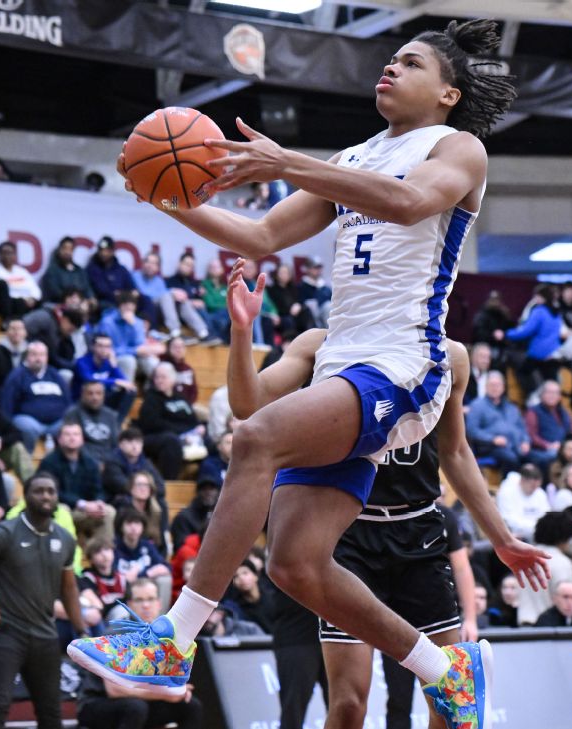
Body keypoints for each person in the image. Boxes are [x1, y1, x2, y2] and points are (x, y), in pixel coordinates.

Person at [73, 24, 517, 723]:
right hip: (346, 359)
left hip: (404, 361)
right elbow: (258, 236)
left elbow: (406, 202)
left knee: (254, 438)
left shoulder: (457, 147)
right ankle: (448, 670)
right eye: (390, 58)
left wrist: (286, 162)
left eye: (410, 63)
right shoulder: (354, 156)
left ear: (448, 93)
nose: (389, 67)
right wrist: (169, 197)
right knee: (295, 565)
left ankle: (174, 640)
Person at [212, 287, 546, 728]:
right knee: (349, 703)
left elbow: (457, 453)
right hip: (348, 536)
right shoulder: (319, 345)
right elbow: (248, 401)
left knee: (448, 702)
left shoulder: (450, 355)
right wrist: (241, 330)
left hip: (419, 531)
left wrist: (501, 538)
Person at [0, 472, 84, 729]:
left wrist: (82, 630)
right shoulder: (3, 534)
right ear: (25, 496)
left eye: (51, 490)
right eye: (39, 491)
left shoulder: (65, 539)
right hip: (5, 634)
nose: (46, 496)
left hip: (46, 636)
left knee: (51, 714)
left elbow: (69, 590)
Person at [74, 579, 204, 729]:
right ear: (129, 604)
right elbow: (115, 690)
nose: (146, 605)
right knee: (135, 707)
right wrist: (168, 695)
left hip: (140, 703)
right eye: (139, 600)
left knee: (191, 706)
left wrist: (177, 691)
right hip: (97, 703)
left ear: (159, 603)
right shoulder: (117, 635)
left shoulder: (165, 638)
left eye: (150, 599)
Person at [38, 422, 111, 540]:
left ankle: (100, 553)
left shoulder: (90, 463)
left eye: (76, 434)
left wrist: (99, 503)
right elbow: (51, 493)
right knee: (62, 510)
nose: (72, 438)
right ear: (60, 439)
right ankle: (63, 554)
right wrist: (81, 503)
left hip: (85, 511)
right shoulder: (49, 463)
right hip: (61, 509)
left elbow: (98, 489)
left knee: (108, 511)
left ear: (82, 439)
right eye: (67, 434)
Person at [136, 362, 202, 479]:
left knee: (214, 442)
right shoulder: (151, 398)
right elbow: (154, 424)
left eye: (163, 377)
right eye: (157, 377)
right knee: (171, 440)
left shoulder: (180, 397)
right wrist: (183, 432)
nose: (159, 380)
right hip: (155, 437)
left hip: (185, 435)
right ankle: (170, 482)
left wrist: (198, 428)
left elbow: (192, 419)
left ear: (173, 379)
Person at [1, 341, 71, 451]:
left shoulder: (55, 375)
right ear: (27, 356)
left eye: (42, 355)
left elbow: (67, 400)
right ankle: (29, 457)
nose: (38, 358)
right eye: (34, 354)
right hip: (28, 420)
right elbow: (7, 403)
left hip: (56, 423)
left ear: (47, 357)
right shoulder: (17, 376)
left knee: (71, 427)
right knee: (28, 427)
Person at [466, 371, 531, 475]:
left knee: (536, 458)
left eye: (498, 385)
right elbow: (472, 430)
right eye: (492, 385)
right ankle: (510, 487)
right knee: (511, 458)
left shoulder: (512, 407)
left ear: (503, 387)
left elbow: (522, 428)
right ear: (486, 387)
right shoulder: (477, 406)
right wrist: (492, 439)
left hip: (515, 445)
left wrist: (526, 441)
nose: (495, 388)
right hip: (490, 447)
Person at [64, 380, 122, 462]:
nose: (95, 397)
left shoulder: (111, 415)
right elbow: (72, 444)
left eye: (99, 393)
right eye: (90, 393)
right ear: (83, 394)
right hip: (83, 461)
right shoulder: (73, 414)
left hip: (109, 461)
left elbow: (116, 443)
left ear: (103, 395)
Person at [0, 241, 41, 319]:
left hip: (27, 302)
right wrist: (22, 299)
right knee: (18, 303)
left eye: (11, 253)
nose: (8, 256)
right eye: (5, 253)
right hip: (9, 303)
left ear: (15, 255)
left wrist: (33, 298)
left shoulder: (22, 271)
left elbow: (35, 289)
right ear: (0, 255)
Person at [496, 464, 550, 542]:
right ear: (522, 480)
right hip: (516, 536)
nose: (534, 489)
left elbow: (546, 515)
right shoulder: (506, 492)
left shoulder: (539, 492)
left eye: (537, 486)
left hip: (538, 533)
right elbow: (509, 521)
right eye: (532, 486)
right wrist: (537, 527)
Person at [39, 237, 96, 306]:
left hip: (80, 303)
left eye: (70, 249)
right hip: (59, 304)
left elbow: (87, 288)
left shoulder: (79, 270)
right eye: (64, 248)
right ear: (59, 250)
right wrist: (70, 299)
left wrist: (91, 298)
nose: (67, 252)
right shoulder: (52, 271)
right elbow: (55, 292)